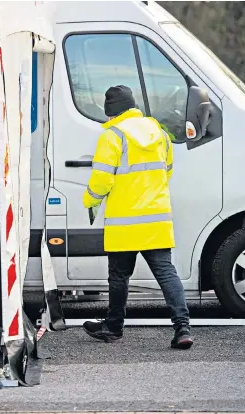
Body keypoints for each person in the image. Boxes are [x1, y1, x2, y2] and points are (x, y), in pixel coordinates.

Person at [82, 85, 193, 350]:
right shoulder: (159, 133)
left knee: (119, 275)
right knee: (166, 273)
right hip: (156, 217)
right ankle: (183, 328)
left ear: (111, 112)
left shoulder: (113, 136)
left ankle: (113, 327)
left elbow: (101, 179)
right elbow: (166, 171)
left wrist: (89, 200)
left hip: (125, 220)